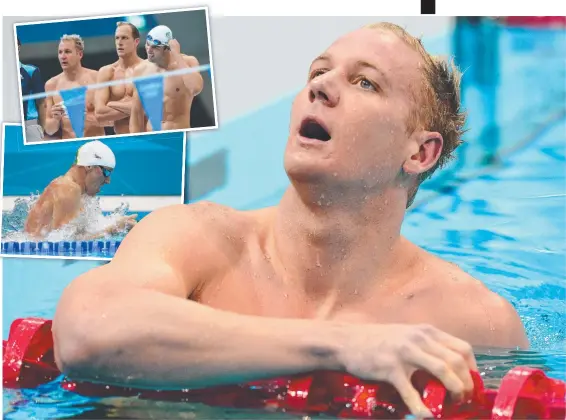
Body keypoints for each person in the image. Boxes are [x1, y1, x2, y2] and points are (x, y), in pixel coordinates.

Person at [53, 23, 528, 418]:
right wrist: (342, 345)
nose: (320, 86)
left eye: (365, 82)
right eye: (318, 72)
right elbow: (84, 331)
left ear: (420, 152)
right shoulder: (195, 238)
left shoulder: (475, 322)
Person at [24, 140, 137, 240]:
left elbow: (74, 233)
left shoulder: (68, 187)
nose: (108, 180)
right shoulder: (68, 188)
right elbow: (63, 243)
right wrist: (113, 229)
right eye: (106, 172)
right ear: (89, 166)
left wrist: (115, 222)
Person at [129, 25, 204, 133]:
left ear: (167, 48)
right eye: (147, 44)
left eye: (155, 47)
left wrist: (177, 55)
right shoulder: (140, 70)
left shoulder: (188, 62)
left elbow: (196, 88)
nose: (149, 50)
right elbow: (136, 112)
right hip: (152, 136)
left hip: (178, 135)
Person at [44, 34, 106, 140]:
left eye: (67, 52)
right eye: (60, 52)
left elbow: (112, 121)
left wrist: (86, 117)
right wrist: (55, 119)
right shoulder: (51, 85)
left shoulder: (97, 79)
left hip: (96, 144)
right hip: (69, 146)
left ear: (80, 54)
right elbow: (49, 130)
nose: (63, 56)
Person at [94, 22, 144, 135]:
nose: (120, 42)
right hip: (121, 139)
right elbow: (99, 115)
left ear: (136, 42)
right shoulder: (106, 72)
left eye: (125, 38)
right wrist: (134, 108)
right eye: (117, 38)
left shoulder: (147, 68)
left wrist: (111, 104)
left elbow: (149, 109)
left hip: (146, 136)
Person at [17, 37, 47, 143]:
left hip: (29, 124)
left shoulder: (31, 71)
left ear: (18, 47)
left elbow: (42, 102)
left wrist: (41, 128)